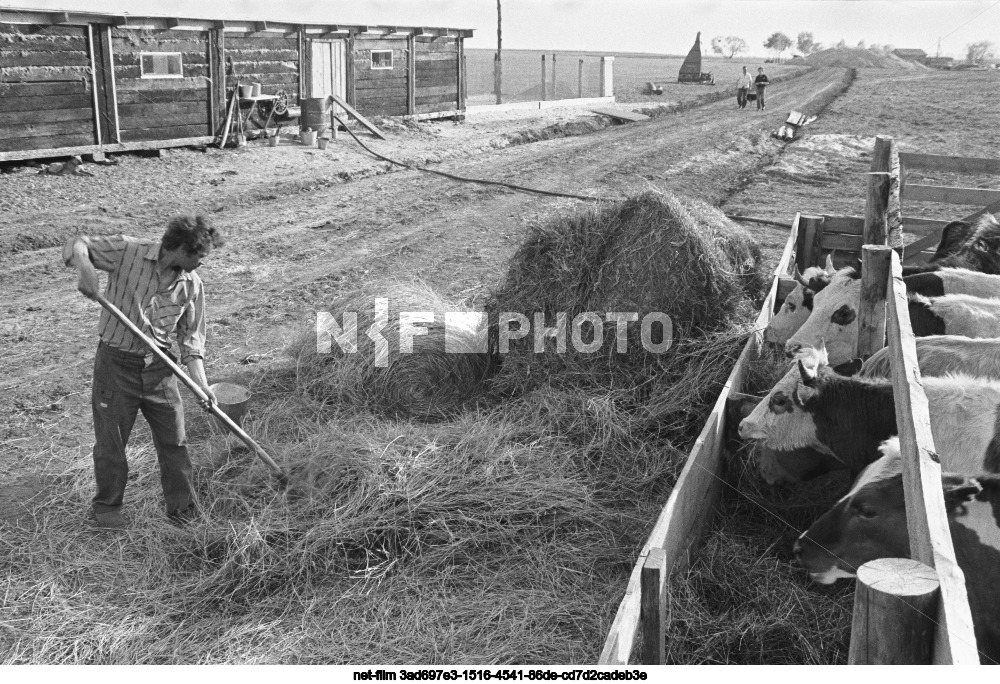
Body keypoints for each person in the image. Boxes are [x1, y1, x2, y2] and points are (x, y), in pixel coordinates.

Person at [63, 215, 225, 530]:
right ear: (181, 248)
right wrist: (86, 271)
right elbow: (75, 243)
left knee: (175, 442)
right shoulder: (128, 250)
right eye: (200, 256)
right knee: (112, 442)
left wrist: (202, 387)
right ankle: (107, 508)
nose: (201, 264)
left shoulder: (191, 285)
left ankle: (183, 510)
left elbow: (191, 340)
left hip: (160, 369)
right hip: (116, 363)